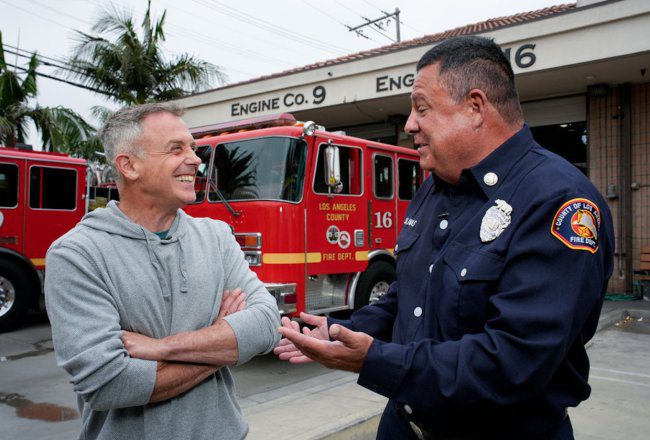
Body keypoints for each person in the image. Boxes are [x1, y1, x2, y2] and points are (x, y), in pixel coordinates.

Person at [275, 35, 614, 439]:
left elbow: (513, 362)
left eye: (422, 108)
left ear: (475, 107)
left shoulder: (558, 201)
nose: (409, 125)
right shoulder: (434, 189)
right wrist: (338, 331)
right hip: (404, 427)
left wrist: (372, 360)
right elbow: (410, 296)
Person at [45, 103, 280, 440]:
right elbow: (108, 382)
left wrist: (164, 348)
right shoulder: (78, 254)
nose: (196, 160)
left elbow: (267, 324)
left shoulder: (216, 236)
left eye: (193, 148)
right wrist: (222, 342)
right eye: (176, 149)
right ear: (129, 165)